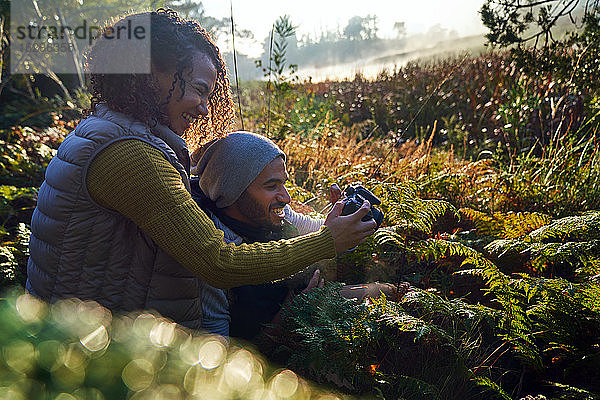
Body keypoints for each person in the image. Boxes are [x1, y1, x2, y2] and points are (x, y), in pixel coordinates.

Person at [25, 9, 377, 330]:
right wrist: (325, 242)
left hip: (90, 337)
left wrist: (325, 221)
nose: (205, 109)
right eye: (198, 89)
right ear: (151, 74)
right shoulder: (129, 154)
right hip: (89, 350)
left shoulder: (114, 134)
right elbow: (217, 261)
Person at [191, 131, 398, 339]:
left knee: (393, 293)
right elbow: (219, 357)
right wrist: (288, 318)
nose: (286, 198)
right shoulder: (213, 256)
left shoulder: (273, 214)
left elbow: (321, 231)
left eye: (284, 183)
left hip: (301, 303)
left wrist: (349, 217)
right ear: (233, 191)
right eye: (272, 186)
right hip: (270, 354)